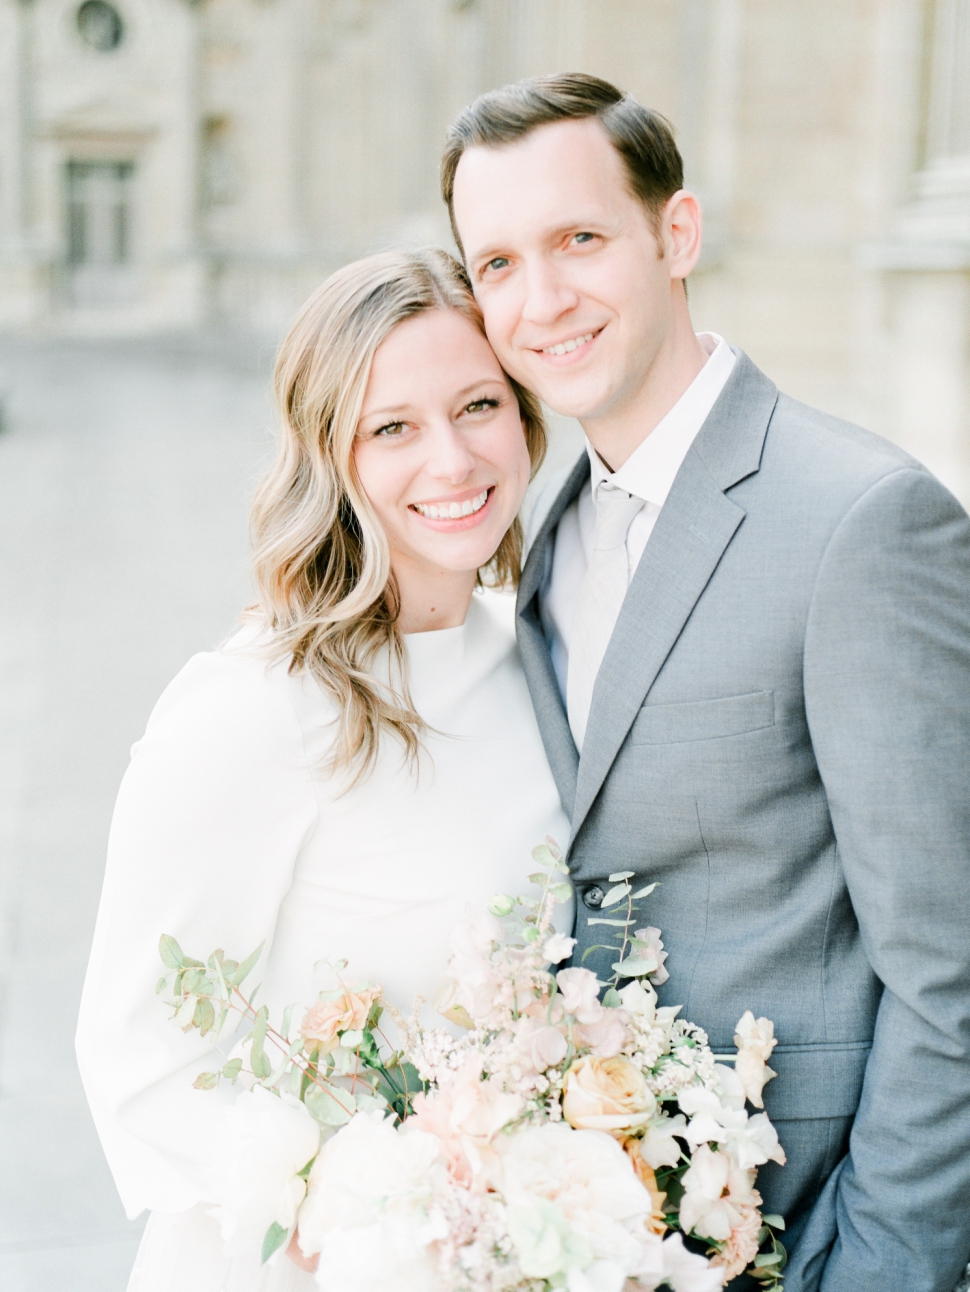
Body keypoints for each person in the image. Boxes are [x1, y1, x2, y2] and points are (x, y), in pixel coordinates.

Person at [442, 73, 970, 1292]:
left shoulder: (861, 520)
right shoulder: (544, 531)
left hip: (817, 1229)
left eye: (579, 239)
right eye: (499, 264)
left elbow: (951, 967)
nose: (542, 299)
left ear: (674, 235)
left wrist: (877, 1271)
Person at [75, 247, 570, 1291]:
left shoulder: (545, 656)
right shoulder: (253, 706)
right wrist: (362, 1222)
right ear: (328, 457)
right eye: (392, 427)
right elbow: (135, 1054)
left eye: (478, 405)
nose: (451, 459)